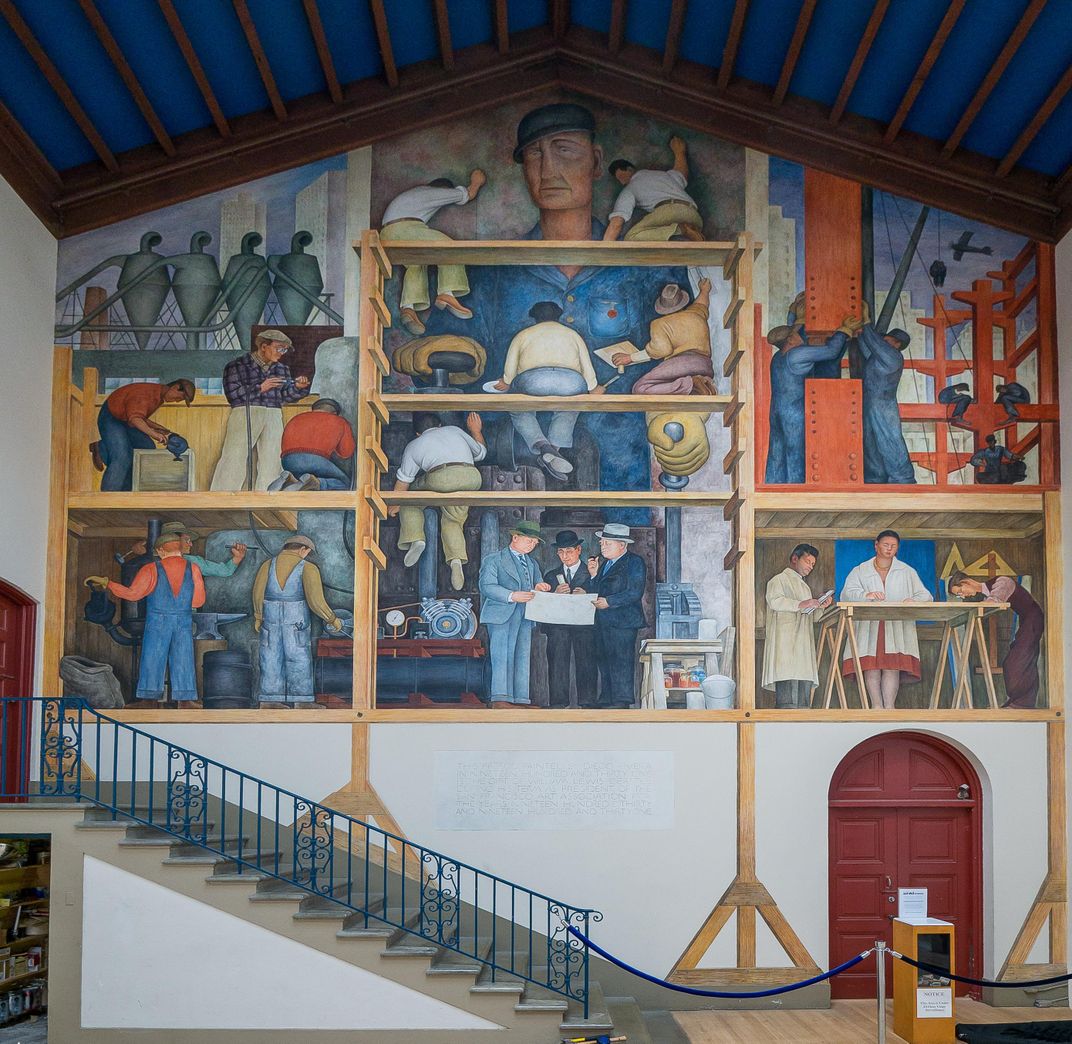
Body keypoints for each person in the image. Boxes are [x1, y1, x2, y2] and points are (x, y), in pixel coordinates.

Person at [399, 102, 703, 524]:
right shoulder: (490, 273)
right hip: (508, 490)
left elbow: (686, 348)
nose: (547, 170)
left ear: (596, 161)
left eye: (564, 151)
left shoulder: (644, 265)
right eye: (534, 156)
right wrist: (442, 352)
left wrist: (686, 418)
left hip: (621, 485)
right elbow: (441, 351)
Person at [84, 532, 205, 706]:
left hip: (157, 621)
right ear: (179, 548)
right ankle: (185, 701)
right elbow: (199, 601)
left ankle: (149, 700)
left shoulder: (151, 569)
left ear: (161, 550)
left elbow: (133, 595)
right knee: (183, 658)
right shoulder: (193, 568)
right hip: (183, 621)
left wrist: (107, 583)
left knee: (152, 658)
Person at [496, 300, 599, 479]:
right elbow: (587, 368)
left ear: (535, 317)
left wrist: (505, 381)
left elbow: (509, 374)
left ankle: (544, 447)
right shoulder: (573, 334)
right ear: (558, 316)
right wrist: (593, 387)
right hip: (571, 382)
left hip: (533, 381)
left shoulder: (523, 334)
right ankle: (554, 452)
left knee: (518, 409)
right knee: (569, 408)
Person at [380, 170, 486, 335]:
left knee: (416, 263)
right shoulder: (432, 192)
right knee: (450, 247)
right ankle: (447, 293)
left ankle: (408, 308)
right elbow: (467, 195)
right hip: (406, 228)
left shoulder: (413, 195)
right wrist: (477, 180)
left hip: (387, 233)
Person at [388, 412, 486, 591]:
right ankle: (456, 560)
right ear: (440, 425)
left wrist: (396, 502)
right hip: (471, 477)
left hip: (441, 477)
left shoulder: (414, 444)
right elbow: (481, 453)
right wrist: (476, 431)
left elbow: (404, 481)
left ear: (417, 433)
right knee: (454, 519)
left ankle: (416, 538)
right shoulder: (455, 430)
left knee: (410, 499)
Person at [841, 530, 933, 709]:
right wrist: (866, 595)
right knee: (871, 665)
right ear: (876, 545)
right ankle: (876, 706)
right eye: (885, 544)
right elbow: (846, 593)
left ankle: (889, 707)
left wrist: (913, 600)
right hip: (869, 625)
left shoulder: (907, 571)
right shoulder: (860, 570)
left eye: (893, 545)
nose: (889, 548)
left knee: (892, 665)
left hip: (896, 624)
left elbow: (926, 595)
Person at [211, 330, 310, 491]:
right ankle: (222, 497)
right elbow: (233, 395)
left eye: (284, 350)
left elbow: (285, 396)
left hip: (273, 413)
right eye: (279, 348)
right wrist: (260, 388)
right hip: (245, 412)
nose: (282, 353)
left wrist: (298, 388)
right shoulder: (236, 366)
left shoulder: (281, 369)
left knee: (272, 459)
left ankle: (266, 498)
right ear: (264, 346)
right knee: (234, 455)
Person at [251, 535, 344, 706]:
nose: (306, 556)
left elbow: (257, 593)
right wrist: (332, 619)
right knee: (298, 657)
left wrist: (258, 616)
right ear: (302, 549)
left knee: (270, 658)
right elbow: (316, 601)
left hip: (269, 618)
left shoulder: (267, 565)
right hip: (296, 620)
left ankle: (271, 701)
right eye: (307, 552)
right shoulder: (308, 568)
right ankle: (301, 701)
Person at [764, 318, 855, 483]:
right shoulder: (797, 355)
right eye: (797, 334)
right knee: (795, 452)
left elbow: (795, 329)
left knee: (777, 452)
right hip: (794, 414)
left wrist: (797, 314)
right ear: (791, 339)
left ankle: (774, 486)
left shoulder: (778, 357)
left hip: (777, 412)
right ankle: (795, 489)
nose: (802, 335)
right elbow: (831, 352)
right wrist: (844, 330)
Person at [477, 521, 550, 707]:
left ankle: (521, 699)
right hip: (501, 614)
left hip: (526, 614)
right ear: (515, 537)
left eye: (535, 542)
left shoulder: (532, 563)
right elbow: (486, 587)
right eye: (529, 540)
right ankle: (500, 698)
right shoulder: (494, 560)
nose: (532, 545)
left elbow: (537, 582)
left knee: (522, 656)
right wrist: (511, 595)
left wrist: (540, 586)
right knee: (502, 655)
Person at [947, 571, 1043, 708]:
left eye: (960, 591)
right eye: (959, 595)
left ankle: (1022, 704)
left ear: (966, 582)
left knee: (1017, 661)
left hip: (1033, 619)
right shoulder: (988, 591)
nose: (962, 595)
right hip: (1027, 620)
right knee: (1023, 660)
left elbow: (993, 601)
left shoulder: (1001, 582)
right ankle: (1020, 702)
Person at [92, 379, 195, 491]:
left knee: (147, 447)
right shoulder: (145, 394)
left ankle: (126, 492)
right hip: (111, 418)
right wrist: (156, 435)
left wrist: (158, 428)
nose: (177, 401)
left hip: (126, 421)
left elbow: (139, 417)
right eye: (179, 397)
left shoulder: (159, 396)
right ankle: (108, 497)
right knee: (122, 456)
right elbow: (135, 419)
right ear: (175, 387)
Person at [762, 543, 832, 709]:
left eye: (813, 564)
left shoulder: (804, 586)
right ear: (795, 559)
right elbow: (775, 601)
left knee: (803, 701)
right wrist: (802, 604)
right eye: (808, 562)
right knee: (787, 699)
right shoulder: (778, 580)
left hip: (802, 645)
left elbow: (810, 617)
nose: (810, 567)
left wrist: (820, 606)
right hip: (785, 643)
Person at [620, 278, 716, 396]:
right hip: (705, 365)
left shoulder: (660, 324)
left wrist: (630, 358)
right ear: (683, 302)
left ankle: (691, 384)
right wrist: (704, 290)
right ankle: (700, 383)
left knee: (640, 388)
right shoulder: (696, 314)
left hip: (681, 365)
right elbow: (702, 304)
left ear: (663, 309)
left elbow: (662, 350)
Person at [588, 523, 647, 708]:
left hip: (623, 622)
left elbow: (634, 592)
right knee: (604, 660)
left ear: (622, 545)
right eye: (602, 542)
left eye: (608, 543)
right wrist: (593, 575)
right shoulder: (605, 565)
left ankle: (621, 701)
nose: (602, 546)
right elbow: (596, 593)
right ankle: (607, 698)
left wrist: (609, 602)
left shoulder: (634, 562)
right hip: (603, 621)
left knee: (621, 661)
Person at [603, 136, 704, 242]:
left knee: (631, 238)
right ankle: (684, 231)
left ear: (630, 169)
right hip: (694, 216)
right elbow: (682, 174)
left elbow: (617, 222)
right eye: (619, 180)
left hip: (670, 212)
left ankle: (681, 229)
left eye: (622, 177)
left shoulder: (631, 187)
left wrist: (603, 249)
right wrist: (679, 152)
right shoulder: (663, 175)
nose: (622, 182)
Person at [541, 530, 597, 708]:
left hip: (585, 628)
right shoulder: (551, 575)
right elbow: (543, 604)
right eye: (561, 552)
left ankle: (587, 702)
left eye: (569, 551)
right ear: (557, 553)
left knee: (587, 663)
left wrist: (586, 594)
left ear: (579, 550)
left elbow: (602, 594)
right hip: (558, 628)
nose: (565, 556)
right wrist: (554, 594)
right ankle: (558, 703)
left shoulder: (591, 573)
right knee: (557, 664)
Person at [857, 321, 915, 484]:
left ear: (898, 344)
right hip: (870, 402)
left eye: (888, 341)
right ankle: (876, 477)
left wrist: (866, 324)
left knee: (889, 439)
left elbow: (874, 344)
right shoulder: (879, 356)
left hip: (884, 404)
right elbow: (869, 347)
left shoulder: (893, 357)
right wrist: (861, 333)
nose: (883, 343)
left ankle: (903, 477)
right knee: (870, 441)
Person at [271, 398, 355, 491]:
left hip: (287, 461)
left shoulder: (297, 417)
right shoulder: (339, 420)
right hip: (315, 461)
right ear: (334, 413)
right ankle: (316, 483)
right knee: (345, 483)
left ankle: (288, 479)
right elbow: (346, 452)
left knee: (302, 477)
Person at [157, 521, 247, 578]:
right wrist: (238, 558)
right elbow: (225, 571)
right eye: (187, 540)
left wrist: (238, 557)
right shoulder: (192, 562)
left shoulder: (193, 561)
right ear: (174, 541)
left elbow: (224, 571)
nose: (191, 544)